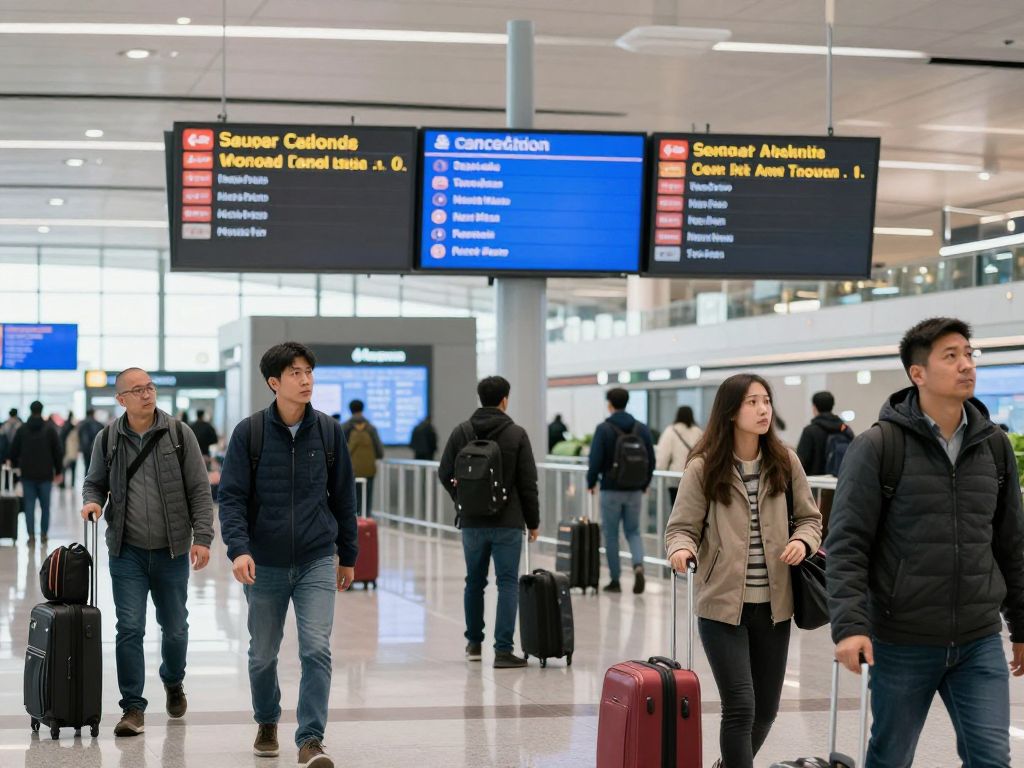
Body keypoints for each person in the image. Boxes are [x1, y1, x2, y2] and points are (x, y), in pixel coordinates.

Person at [827, 317, 1024, 768]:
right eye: (951, 356)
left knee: (992, 758)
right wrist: (851, 626)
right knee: (891, 757)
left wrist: (1022, 624)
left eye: (969, 354)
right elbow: (848, 543)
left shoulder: (994, 447)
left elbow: (1011, 542)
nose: (966, 365)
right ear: (918, 373)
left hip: (978, 638)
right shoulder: (879, 446)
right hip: (902, 640)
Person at [665, 374, 822, 768]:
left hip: (774, 608)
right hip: (721, 607)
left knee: (765, 711)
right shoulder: (704, 467)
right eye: (752, 402)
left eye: (766, 400)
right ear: (731, 412)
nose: (763, 409)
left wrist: (802, 541)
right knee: (740, 706)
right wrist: (681, 548)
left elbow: (811, 520)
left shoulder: (785, 461)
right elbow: (681, 528)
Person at [218, 341, 358, 768]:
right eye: (295, 373)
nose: (305, 380)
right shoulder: (250, 433)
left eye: (309, 372)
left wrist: (348, 555)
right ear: (274, 382)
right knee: (263, 655)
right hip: (264, 562)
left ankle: (311, 738)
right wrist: (239, 550)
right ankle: (266, 720)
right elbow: (231, 498)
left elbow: (344, 498)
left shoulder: (329, 432)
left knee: (316, 650)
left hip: (317, 557)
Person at [81, 369, 214, 737]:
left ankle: (173, 680)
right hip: (127, 551)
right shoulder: (108, 438)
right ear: (121, 399)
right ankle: (133, 708)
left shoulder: (179, 434)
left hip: (172, 550)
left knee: (175, 628)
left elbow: (199, 489)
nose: (147, 394)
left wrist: (203, 537)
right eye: (138, 390)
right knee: (129, 628)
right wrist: (92, 501)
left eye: (150, 387)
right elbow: (94, 482)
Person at [438, 375, 540, 668]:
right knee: (507, 583)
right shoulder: (516, 434)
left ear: (480, 398)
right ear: (504, 400)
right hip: (508, 522)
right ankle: (503, 651)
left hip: (472, 522)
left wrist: (462, 499)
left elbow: (444, 472)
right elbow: (528, 483)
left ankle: (473, 644)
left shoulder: (462, 431)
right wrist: (533, 522)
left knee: (474, 581)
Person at [586, 388, 655, 594]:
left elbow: (595, 459)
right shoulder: (641, 428)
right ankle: (638, 565)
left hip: (611, 489)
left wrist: (591, 482)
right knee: (633, 531)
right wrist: (644, 483)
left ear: (610, 404)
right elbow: (651, 459)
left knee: (611, 535)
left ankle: (615, 580)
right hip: (635, 490)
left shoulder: (604, 429)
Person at [8, 401, 63, 544]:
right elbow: (57, 451)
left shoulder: (22, 429)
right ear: (41, 410)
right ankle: (44, 534)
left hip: (27, 475)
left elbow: (13, 451)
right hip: (45, 475)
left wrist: (15, 466)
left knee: (29, 506)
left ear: (31, 410)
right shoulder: (49, 429)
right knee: (45, 507)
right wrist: (58, 470)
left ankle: (31, 536)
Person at [795, 391, 855, 476]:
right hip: (839, 480)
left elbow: (800, 462)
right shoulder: (844, 429)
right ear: (832, 406)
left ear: (814, 407)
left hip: (815, 482)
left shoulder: (810, 431)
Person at [341, 399, 384, 515]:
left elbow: (339, 448)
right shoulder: (371, 428)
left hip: (351, 469)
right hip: (368, 469)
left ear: (350, 410)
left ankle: (354, 519)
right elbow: (379, 451)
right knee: (367, 497)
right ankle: (366, 517)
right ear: (362, 409)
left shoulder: (345, 427)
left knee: (352, 497)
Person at [655, 406, 703, 509]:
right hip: (695, 478)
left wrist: (660, 470)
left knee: (676, 509)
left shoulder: (671, 431)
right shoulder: (698, 432)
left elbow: (663, 456)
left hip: (676, 479)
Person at [77, 409, 104, 475]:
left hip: (85, 448)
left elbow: (79, 436)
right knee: (95, 465)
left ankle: (87, 478)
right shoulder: (99, 424)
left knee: (86, 465)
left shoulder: (81, 424)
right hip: (96, 448)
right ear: (93, 414)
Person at [59, 411, 77, 488]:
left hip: (64, 449)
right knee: (73, 468)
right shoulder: (73, 427)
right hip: (72, 450)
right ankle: (72, 484)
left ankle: (62, 483)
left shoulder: (64, 426)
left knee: (64, 468)